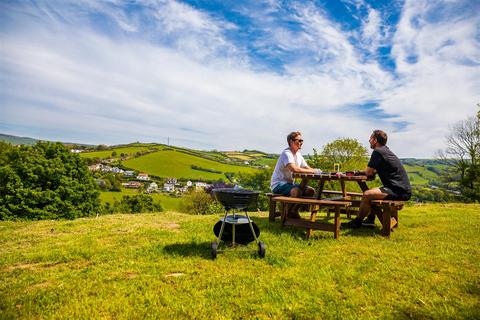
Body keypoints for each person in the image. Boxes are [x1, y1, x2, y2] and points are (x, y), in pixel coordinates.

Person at [343, 130, 411, 229]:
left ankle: (357, 222)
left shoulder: (378, 151)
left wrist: (360, 172)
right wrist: (362, 172)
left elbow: (369, 172)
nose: (369, 140)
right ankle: (370, 219)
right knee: (372, 192)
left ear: (375, 140)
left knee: (367, 195)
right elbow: (372, 171)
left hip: (399, 190)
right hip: (400, 189)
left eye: (370, 138)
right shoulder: (385, 151)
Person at [270, 131, 321, 218]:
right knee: (296, 191)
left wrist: (319, 171)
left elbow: (307, 168)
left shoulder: (298, 155)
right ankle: (288, 213)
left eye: (302, 141)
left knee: (310, 191)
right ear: (291, 141)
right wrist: (313, 172)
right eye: (299, 140)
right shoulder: (287, 153)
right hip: (278, 184)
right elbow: (294, 169)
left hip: (289, 184)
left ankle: (292, 210)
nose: (301, 143)